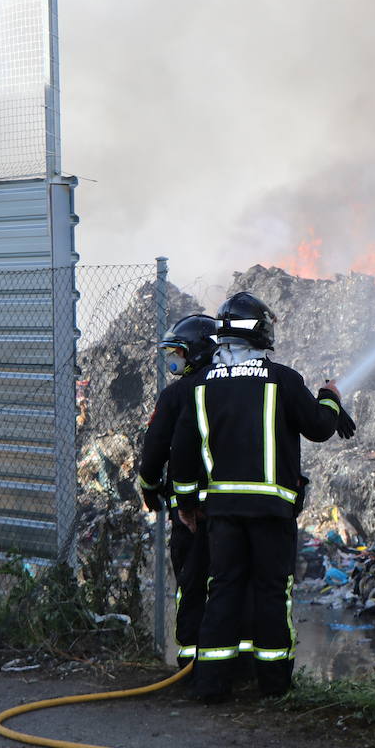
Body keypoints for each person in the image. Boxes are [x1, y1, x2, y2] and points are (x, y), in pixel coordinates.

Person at [170, 291, 355, 700]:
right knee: (271, 591)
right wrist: (331, 399)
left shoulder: (199, 387)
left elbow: (181, 454)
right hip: (271, 510)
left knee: (223, 588)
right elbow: (320, 427)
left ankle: (211, 685)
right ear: (261, 331)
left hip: (221, 511)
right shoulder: (283, 379)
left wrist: (185, 504)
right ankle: (273, 686)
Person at [137, 313, 220, 666]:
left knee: (192, 582)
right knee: (228, 582)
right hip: (229, 507)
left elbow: (155, 447)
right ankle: (230, 664)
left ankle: (190, 664)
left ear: (198, 353)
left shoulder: (176, 395)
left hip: (189, 512)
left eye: (178, 352)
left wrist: (149, 486)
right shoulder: (230, 388)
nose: (173, 359)